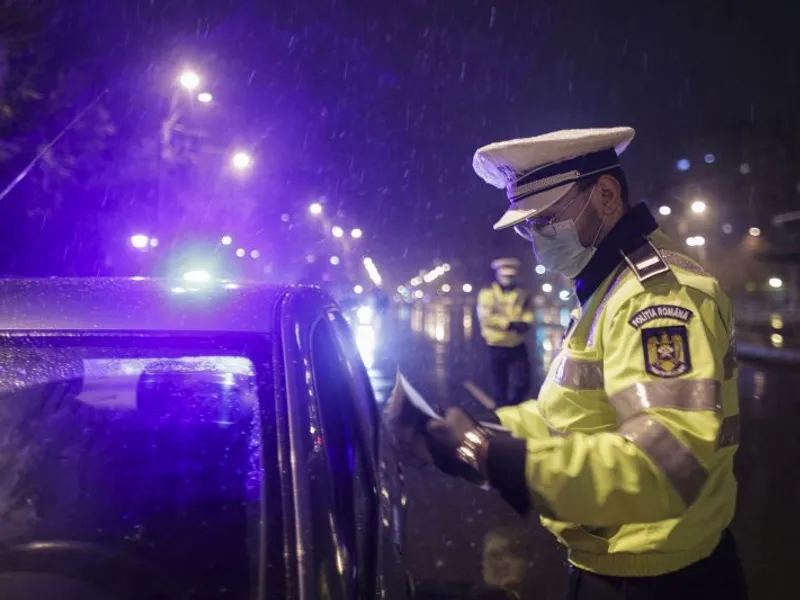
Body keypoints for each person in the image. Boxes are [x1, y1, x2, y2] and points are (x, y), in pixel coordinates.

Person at [422, 127, 748, 599]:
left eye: (547, 220)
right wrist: (489, 432)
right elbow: (574, 416)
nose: (535, 241)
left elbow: (666, 463)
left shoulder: (656, 296)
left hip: (663, 580)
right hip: (618, 566)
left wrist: (511, 462)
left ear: (607, 195)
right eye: (526, 227)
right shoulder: (609, 286)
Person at [476, 258, 534, 406]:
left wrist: (526, 322)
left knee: (522, 382)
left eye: (511, 276)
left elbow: (528, 310)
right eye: (505, 276)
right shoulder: (487, 293)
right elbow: (486, 317)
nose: (508, 279)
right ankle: (502, 413)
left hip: (517, 343)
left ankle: (512, 407)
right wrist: (509, 324)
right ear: (498, 275)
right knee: (500, 384)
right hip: (496, 344)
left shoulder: (523, 292)